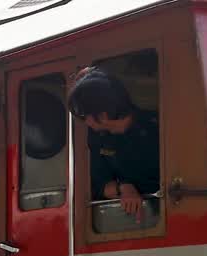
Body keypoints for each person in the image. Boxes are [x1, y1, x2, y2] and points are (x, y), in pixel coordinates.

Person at [67, 66, 160, 217]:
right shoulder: (97, 137)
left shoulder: (158, 127)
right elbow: (97, 183)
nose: (84, 122)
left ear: (103, 114)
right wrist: (123, 187)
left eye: (84, 115)